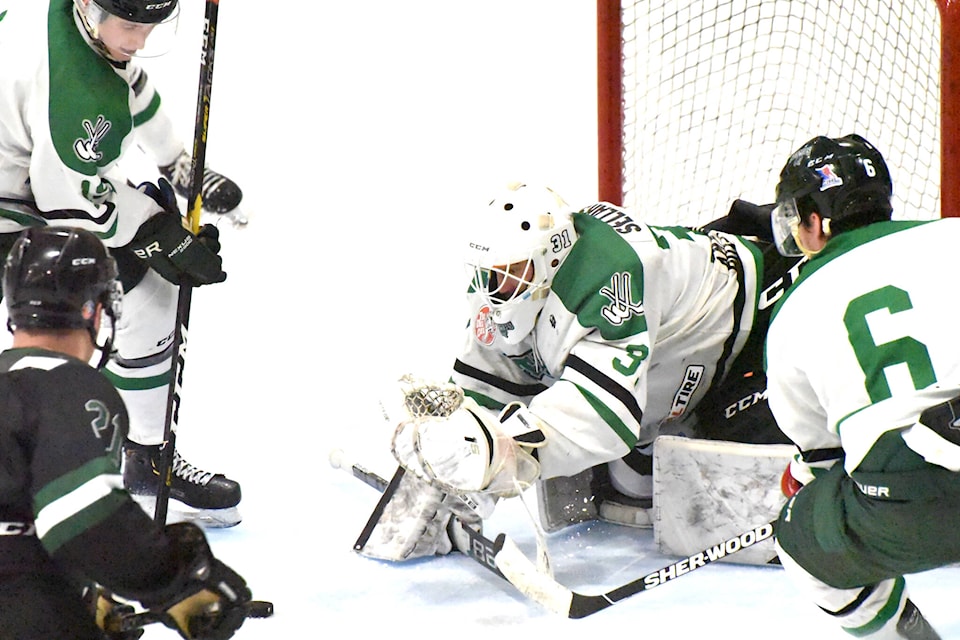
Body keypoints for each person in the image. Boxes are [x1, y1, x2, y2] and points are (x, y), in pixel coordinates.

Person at [356, 181, 803, 561]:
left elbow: (602, 417)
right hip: (683, 347)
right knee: (629, 487)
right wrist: (446, 470)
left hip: (761, 318)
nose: (495, 289)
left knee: (700, 490)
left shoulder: (611, 278)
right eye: (488, 273)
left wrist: (505, 452)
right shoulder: (499, 291)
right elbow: (484, 386)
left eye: (510, 273)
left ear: (552, 258)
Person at [0, 0, 243, 526]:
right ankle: (146, 457)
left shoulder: (63, 18)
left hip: (19, 180)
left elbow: (130, 84)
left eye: (151, 24)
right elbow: (74, 206)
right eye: (130, 24)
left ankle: (145, 458)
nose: (139, 38)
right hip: (12, 209)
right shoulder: (76, 96)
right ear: (91, 6)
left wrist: (176, 163)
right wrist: (161, 235)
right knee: (149, 295)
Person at [0, 226, 252, 639]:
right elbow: (84, 516)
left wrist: (76, 595)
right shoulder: (67, 386)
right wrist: (180, 580)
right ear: (95, 311)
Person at [765, 134, 952, 638]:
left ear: (813, 219)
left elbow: (823, 460)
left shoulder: (791, 313)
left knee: (802, 542)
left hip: (918, 505)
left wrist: (806, 496)